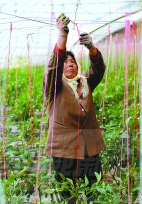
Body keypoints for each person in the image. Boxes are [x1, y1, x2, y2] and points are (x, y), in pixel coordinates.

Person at [44, 13, 106, 203]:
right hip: (64, 148)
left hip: (90, 146)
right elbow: (52, 67)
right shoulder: (54, 86)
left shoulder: (85, 81)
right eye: (66, 62)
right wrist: (62, 36)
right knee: (67, 193)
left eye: (73, 62)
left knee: (93, 189)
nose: (70, 64)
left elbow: (99, 69)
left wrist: (92, 48)